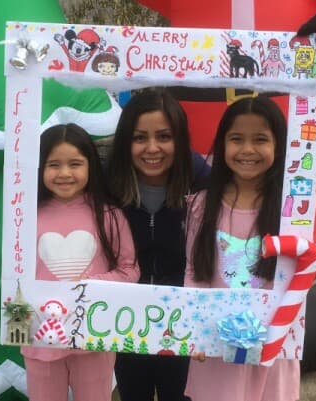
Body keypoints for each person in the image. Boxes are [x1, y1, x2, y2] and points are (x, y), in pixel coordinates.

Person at [184, 95, 300, 401]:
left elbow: (300, 276)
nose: (247, 150)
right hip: (216, 347)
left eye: (260, 139)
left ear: (279, 145)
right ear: (223, 145)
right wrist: (196, 332)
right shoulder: (201, 205)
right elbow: (195, 273)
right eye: (236, 139)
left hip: (272, 348)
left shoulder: (292, 211)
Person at [22, 123, 139, 401]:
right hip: (41, 337)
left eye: (75, 163)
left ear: (90, 166)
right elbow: (14, 275)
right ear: (40, 168)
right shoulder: (24, 215)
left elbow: (129, 269)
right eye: (53, 164)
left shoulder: (109, 215)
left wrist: (88, 286)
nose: (64, 173)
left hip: (94, 335)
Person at [106, 90, 209, 401]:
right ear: (126, 141)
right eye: (140, 138)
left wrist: (299, 255)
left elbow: (244, 224)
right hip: (125, 320)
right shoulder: (107, 182)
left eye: (164, 136)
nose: (152, 148)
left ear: (179, 139)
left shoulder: (202, 180)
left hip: (184, 319)